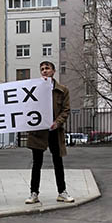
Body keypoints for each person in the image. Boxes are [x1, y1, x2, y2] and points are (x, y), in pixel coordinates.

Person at [25, 60, 75, 204]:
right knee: (36, 163)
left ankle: (62, 192)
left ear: (53, 71)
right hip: (38, 131)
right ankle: (34, 193)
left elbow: (66, 110)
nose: (44, 71)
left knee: (57, 162)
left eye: (47, 68)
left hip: (55, 130)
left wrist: (57, 123)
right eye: (42, 69)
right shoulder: (34, 88)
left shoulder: (62, 90)